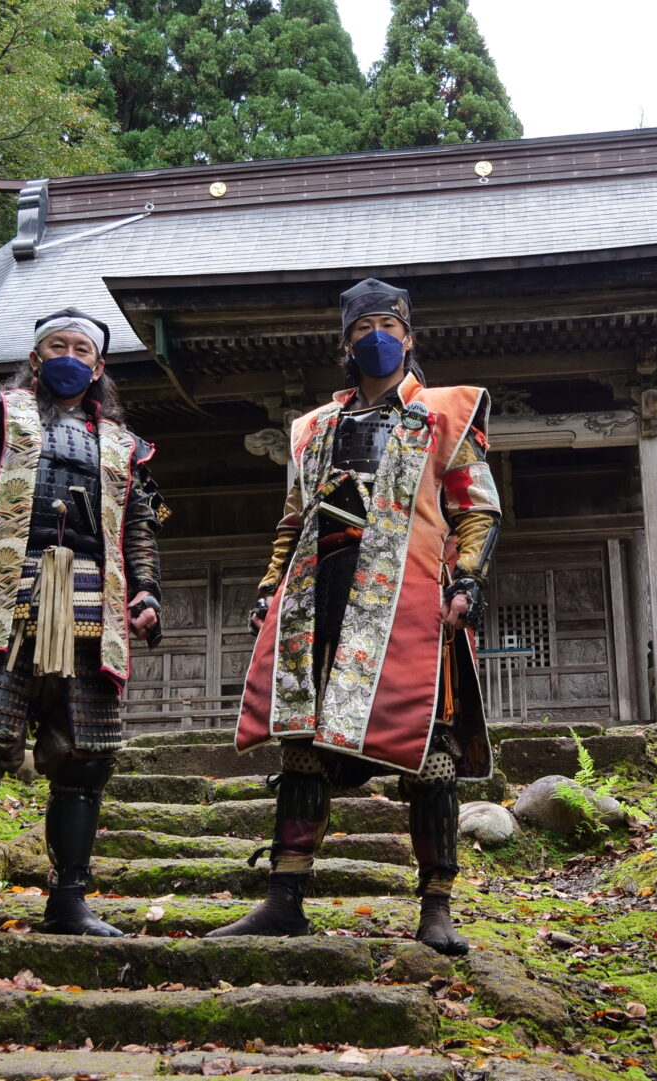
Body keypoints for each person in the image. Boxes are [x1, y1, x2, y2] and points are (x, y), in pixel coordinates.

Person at [212, 278, 501, 956]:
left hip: (407, 602)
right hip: (320, 598)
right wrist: (268, 586)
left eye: (390, 325)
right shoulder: (313, 427)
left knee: (430, 755)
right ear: (345, 341)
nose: (378, 337)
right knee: (303, 750)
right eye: (364, 326)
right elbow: (293, 517)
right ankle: (284, 899)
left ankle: (436, 907)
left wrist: (468, 581)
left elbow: (477, 508)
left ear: (409, 335)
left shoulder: (445, 412)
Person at [0, 308, 165, 937]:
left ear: (99, 366)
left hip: (91, 598)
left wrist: (148, 590)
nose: (70, 355)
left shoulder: (125, 446)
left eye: (82, 348)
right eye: (58, 346)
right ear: (37, 354)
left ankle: (69, 900)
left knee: (85, 757)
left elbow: (136, 524)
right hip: (6, 589)